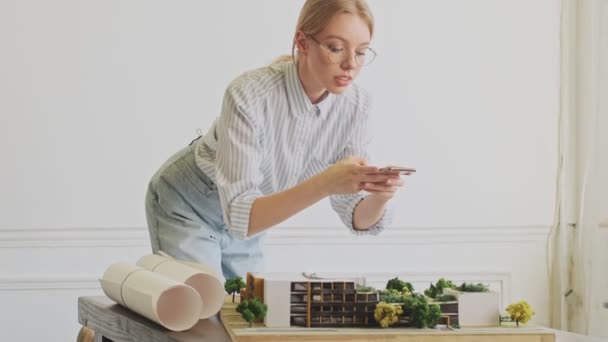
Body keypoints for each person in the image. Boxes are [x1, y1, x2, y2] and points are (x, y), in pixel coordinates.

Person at [145, 0, 406, 282]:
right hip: (188, 203)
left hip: (254, 217)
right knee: (201, 315)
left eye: (362, 52)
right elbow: (242, 215)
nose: (350, 64)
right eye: (335, 48)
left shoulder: (357, 106)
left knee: (248, 316)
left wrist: (380, 195)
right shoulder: (249, 94)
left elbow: (356, 214)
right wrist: (326, 182)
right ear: (303, 42)